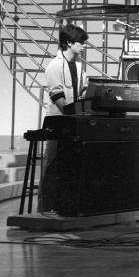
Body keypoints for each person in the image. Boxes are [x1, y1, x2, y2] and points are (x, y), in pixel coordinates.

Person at [41, 23, 89, 211]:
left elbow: (84, 93)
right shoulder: (54, 66)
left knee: (71, 167)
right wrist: (77, 113)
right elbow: (59, 98)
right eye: (81, 42)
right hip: (58, 124)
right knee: (53, 167)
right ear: (69, 43)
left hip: (72, 123)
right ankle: (48, 209)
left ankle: (67, 206)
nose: (83, 46)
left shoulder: (78, 67)